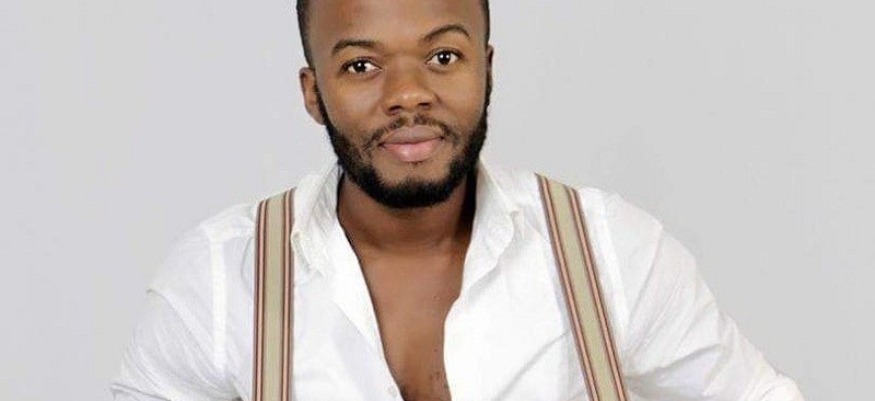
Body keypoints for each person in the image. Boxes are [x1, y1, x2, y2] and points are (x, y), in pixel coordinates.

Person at [110, 0, 805, 400]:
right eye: (361, 65)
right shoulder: (218, 279)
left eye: (443, 57)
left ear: (486, 67)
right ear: (313, 92)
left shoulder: (609, 251)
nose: (408, 94)